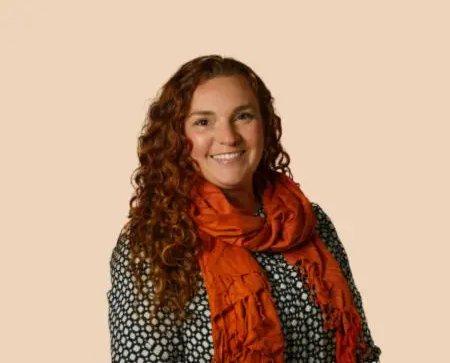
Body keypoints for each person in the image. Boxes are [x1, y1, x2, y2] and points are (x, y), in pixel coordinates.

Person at [107, 55, 382, 363]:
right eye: (203, 122)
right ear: (177, 137)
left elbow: (362, 353)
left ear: (265, 125)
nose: (227, 137)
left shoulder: (311, 223)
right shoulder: (155, 242)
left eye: (243, 116)